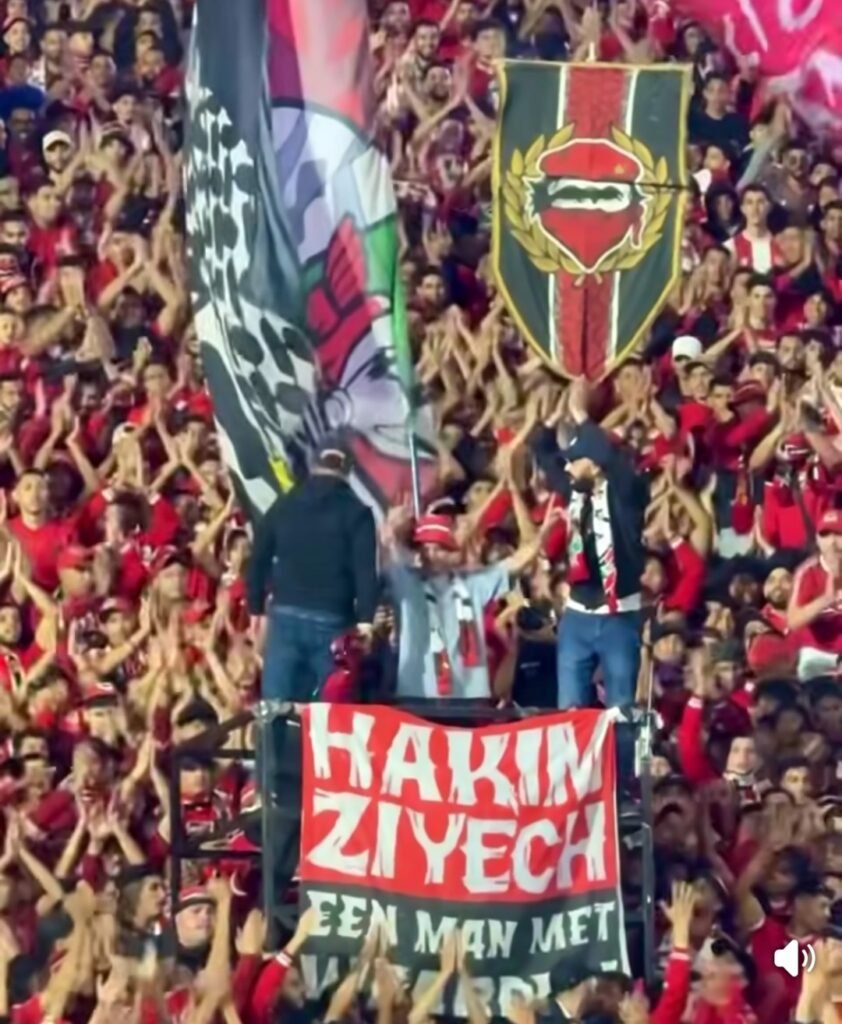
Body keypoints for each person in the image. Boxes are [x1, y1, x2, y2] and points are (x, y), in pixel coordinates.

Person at [532, 378, 649, 710]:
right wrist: (554, 417)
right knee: (569, 710)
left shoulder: (627, 494)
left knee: (620, 709)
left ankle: (620, 748)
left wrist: (581, 413)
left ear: (596, 464)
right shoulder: (575, 492)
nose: (568, 467)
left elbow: (609, 454)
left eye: (575, 460)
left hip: (618, 617)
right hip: (577, 616)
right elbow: (543, 451)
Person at [246, 443, 378, 700]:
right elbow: (365, 572)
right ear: (348, 470)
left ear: (313, 466)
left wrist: (255, 608)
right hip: (333, 620)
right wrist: (366, 622)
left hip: (285, 615)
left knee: (276, 707)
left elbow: (258, 556)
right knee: (330, 711)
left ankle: (278, 728)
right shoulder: (357, 512)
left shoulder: (285, 504)